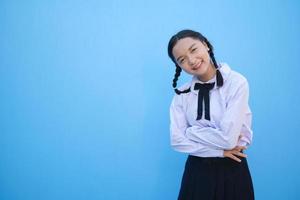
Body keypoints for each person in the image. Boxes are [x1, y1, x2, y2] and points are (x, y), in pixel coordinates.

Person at [168, 29, 254, 200]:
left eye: (193, 49)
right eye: (182, 60)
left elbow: (228, 139)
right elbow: (176, 141)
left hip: (233, 167)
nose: (191, 61)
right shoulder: (182, 94)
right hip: (197, 170)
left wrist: (191, 132)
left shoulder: (236, 83)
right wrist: (220, 152)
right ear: (179, 66)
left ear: (205, 45)